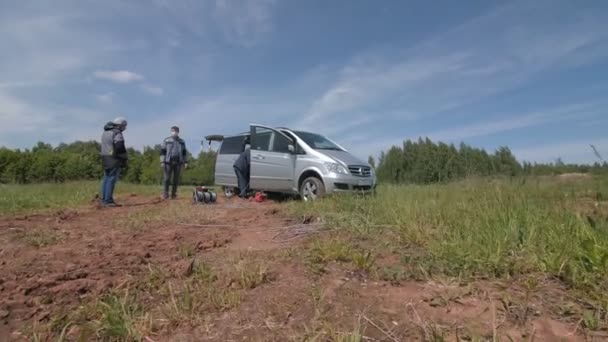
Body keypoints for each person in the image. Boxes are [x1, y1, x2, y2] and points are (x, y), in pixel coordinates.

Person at [100, 117, 128, 207]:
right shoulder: (117, 133)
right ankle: (108, 201)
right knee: (111, 179)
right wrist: (123, 159)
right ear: (120, 125)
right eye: (124, 126)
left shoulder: (105, 132)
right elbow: (120, 147)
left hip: (105, 157)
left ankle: (104, 199)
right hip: (114, 158)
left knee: (106, 178)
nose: (124, 128)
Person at [160, 126, 188, 199]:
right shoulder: (166, 140)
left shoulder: (182, 141)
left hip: (178, 162)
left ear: (178, 132)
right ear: (171, 131)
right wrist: (162, 161)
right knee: (167, 179)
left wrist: (185, 162)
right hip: (168, 162)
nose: (174, 132)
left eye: (175, 131)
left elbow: (184, 152)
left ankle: (174, 195)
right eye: (172, 131)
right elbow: (163, 151)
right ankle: (165, 194)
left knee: (176, 179)